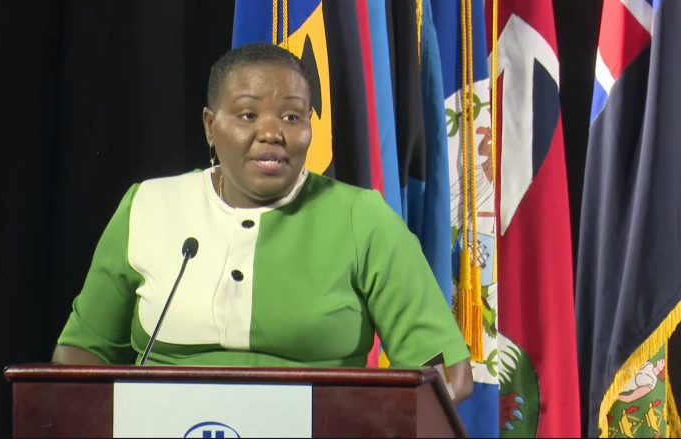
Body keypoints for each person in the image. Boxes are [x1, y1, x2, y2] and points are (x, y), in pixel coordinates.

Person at [52, 42, 473, 402]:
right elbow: (81, 354)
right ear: (210, 126)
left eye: (292, 117)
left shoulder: (361, 218)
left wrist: (364, 421)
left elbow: (445, 375)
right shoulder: (148, 205)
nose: (272, 133)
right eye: (248, 115)